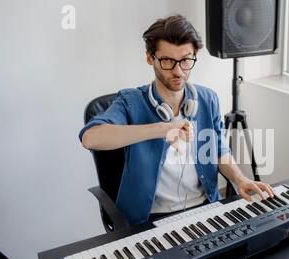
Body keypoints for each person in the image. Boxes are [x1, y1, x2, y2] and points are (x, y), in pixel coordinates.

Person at [79, 15, 274, 225]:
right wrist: (163, 129)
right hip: (150, 220)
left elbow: (218, 150)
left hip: (206, 209)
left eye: (186, 60)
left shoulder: (207, 99)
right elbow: (90, 138)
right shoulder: (130, 101)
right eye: (167, 61)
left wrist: (240, 178)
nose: (178, 71)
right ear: (149, 58)